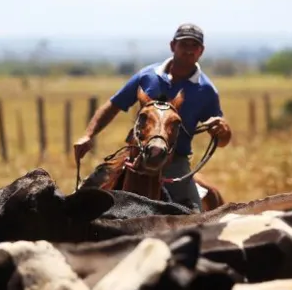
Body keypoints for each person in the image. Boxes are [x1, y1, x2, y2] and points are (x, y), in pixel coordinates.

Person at [73, 23, 231, 211]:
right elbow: (113, 105)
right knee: (85, 194)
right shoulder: (147, 76)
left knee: (193, 214)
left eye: (194, 46)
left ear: (201, 51)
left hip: (175, 161)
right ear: (173, 46)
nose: (189, 50)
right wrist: (88, 134)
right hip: (135, 154)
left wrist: (223, 131)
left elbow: (221, 141)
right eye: (184, 44)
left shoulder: (206, 90)